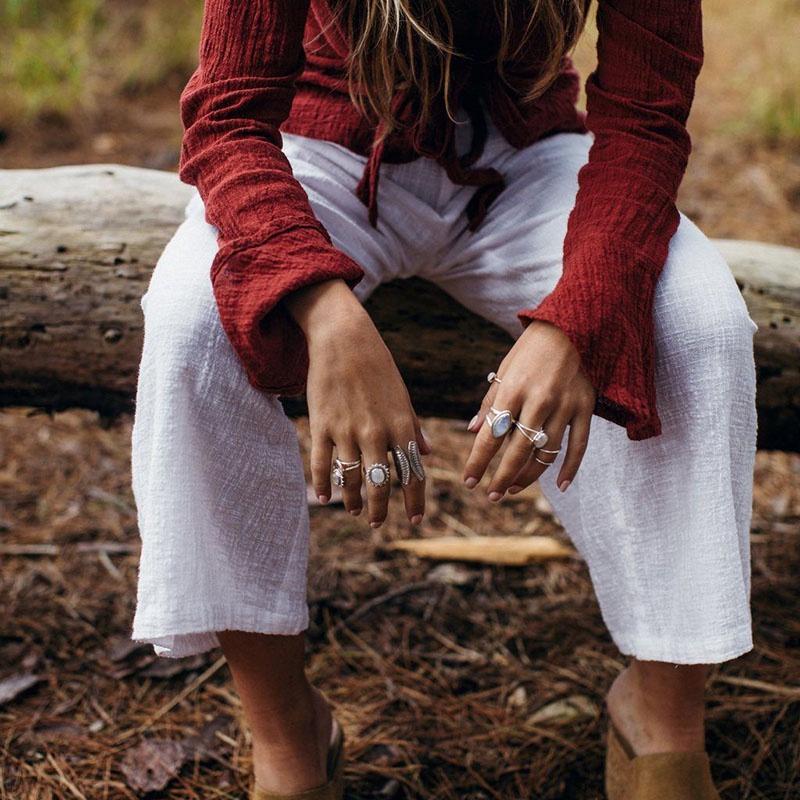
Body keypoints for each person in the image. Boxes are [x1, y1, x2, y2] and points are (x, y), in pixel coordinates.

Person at [130, 1, 758, 798]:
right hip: (319, 150)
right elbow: (225, 116)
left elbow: (645, 122)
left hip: (532, 157)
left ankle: (661, 722)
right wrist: (323, 309)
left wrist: (577, 319)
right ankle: (288, 735)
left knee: (699, 326)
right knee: (189, 324)